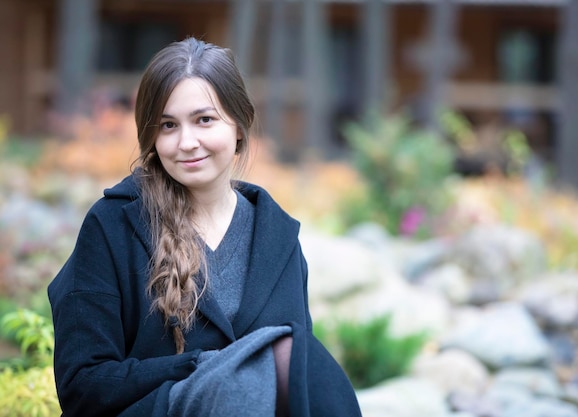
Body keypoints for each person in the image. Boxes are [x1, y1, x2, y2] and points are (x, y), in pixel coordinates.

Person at [48, 37, 362, 417]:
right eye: (167, 125)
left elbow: (293, 385)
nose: (186, 142)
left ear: (240, 126)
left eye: (204, 120)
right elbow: (82, 385)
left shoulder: (278, 240)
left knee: (303, 360)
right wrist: (204, 367)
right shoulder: (113, 225)